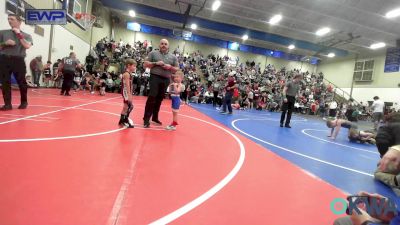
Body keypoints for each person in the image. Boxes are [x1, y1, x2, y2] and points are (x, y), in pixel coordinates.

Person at [142, 39, 178, 128]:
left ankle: (155, 117)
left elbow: (177, 69)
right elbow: (145, 64)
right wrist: (156, 63)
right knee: (152, 96)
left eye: (165, 44)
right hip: (154, 77)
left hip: (166, 79)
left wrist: (170, 67)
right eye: (162, 43)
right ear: (159, 45)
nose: (163, 45)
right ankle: (146, 119)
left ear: (168, 46)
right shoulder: (153, 53)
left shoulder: (173, 57)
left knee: (159, 99)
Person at [0, 14, 33, 110]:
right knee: (5, 82)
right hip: (4, 59)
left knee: (21, 82)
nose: (9, 21)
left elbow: (27, 46)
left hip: (18, 60)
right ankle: (7, 104)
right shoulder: (3, 33)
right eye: (8, 19)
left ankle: (24, 102)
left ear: (19, 22)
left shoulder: (27, 35)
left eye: (12, 19)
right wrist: (5, 43)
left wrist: (19, 34)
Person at [118, 59, 137, 128]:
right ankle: (124, 120)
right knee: (129, 106)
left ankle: (122, 120)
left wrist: (131, 93)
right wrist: (129, 95)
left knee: (127, 107)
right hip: (125, 91)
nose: (135, 67)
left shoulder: (130, 74)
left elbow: (131, 85)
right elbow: (127, 85)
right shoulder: (126, 74)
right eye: (134, 66)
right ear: (128, 65)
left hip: (127, 92)